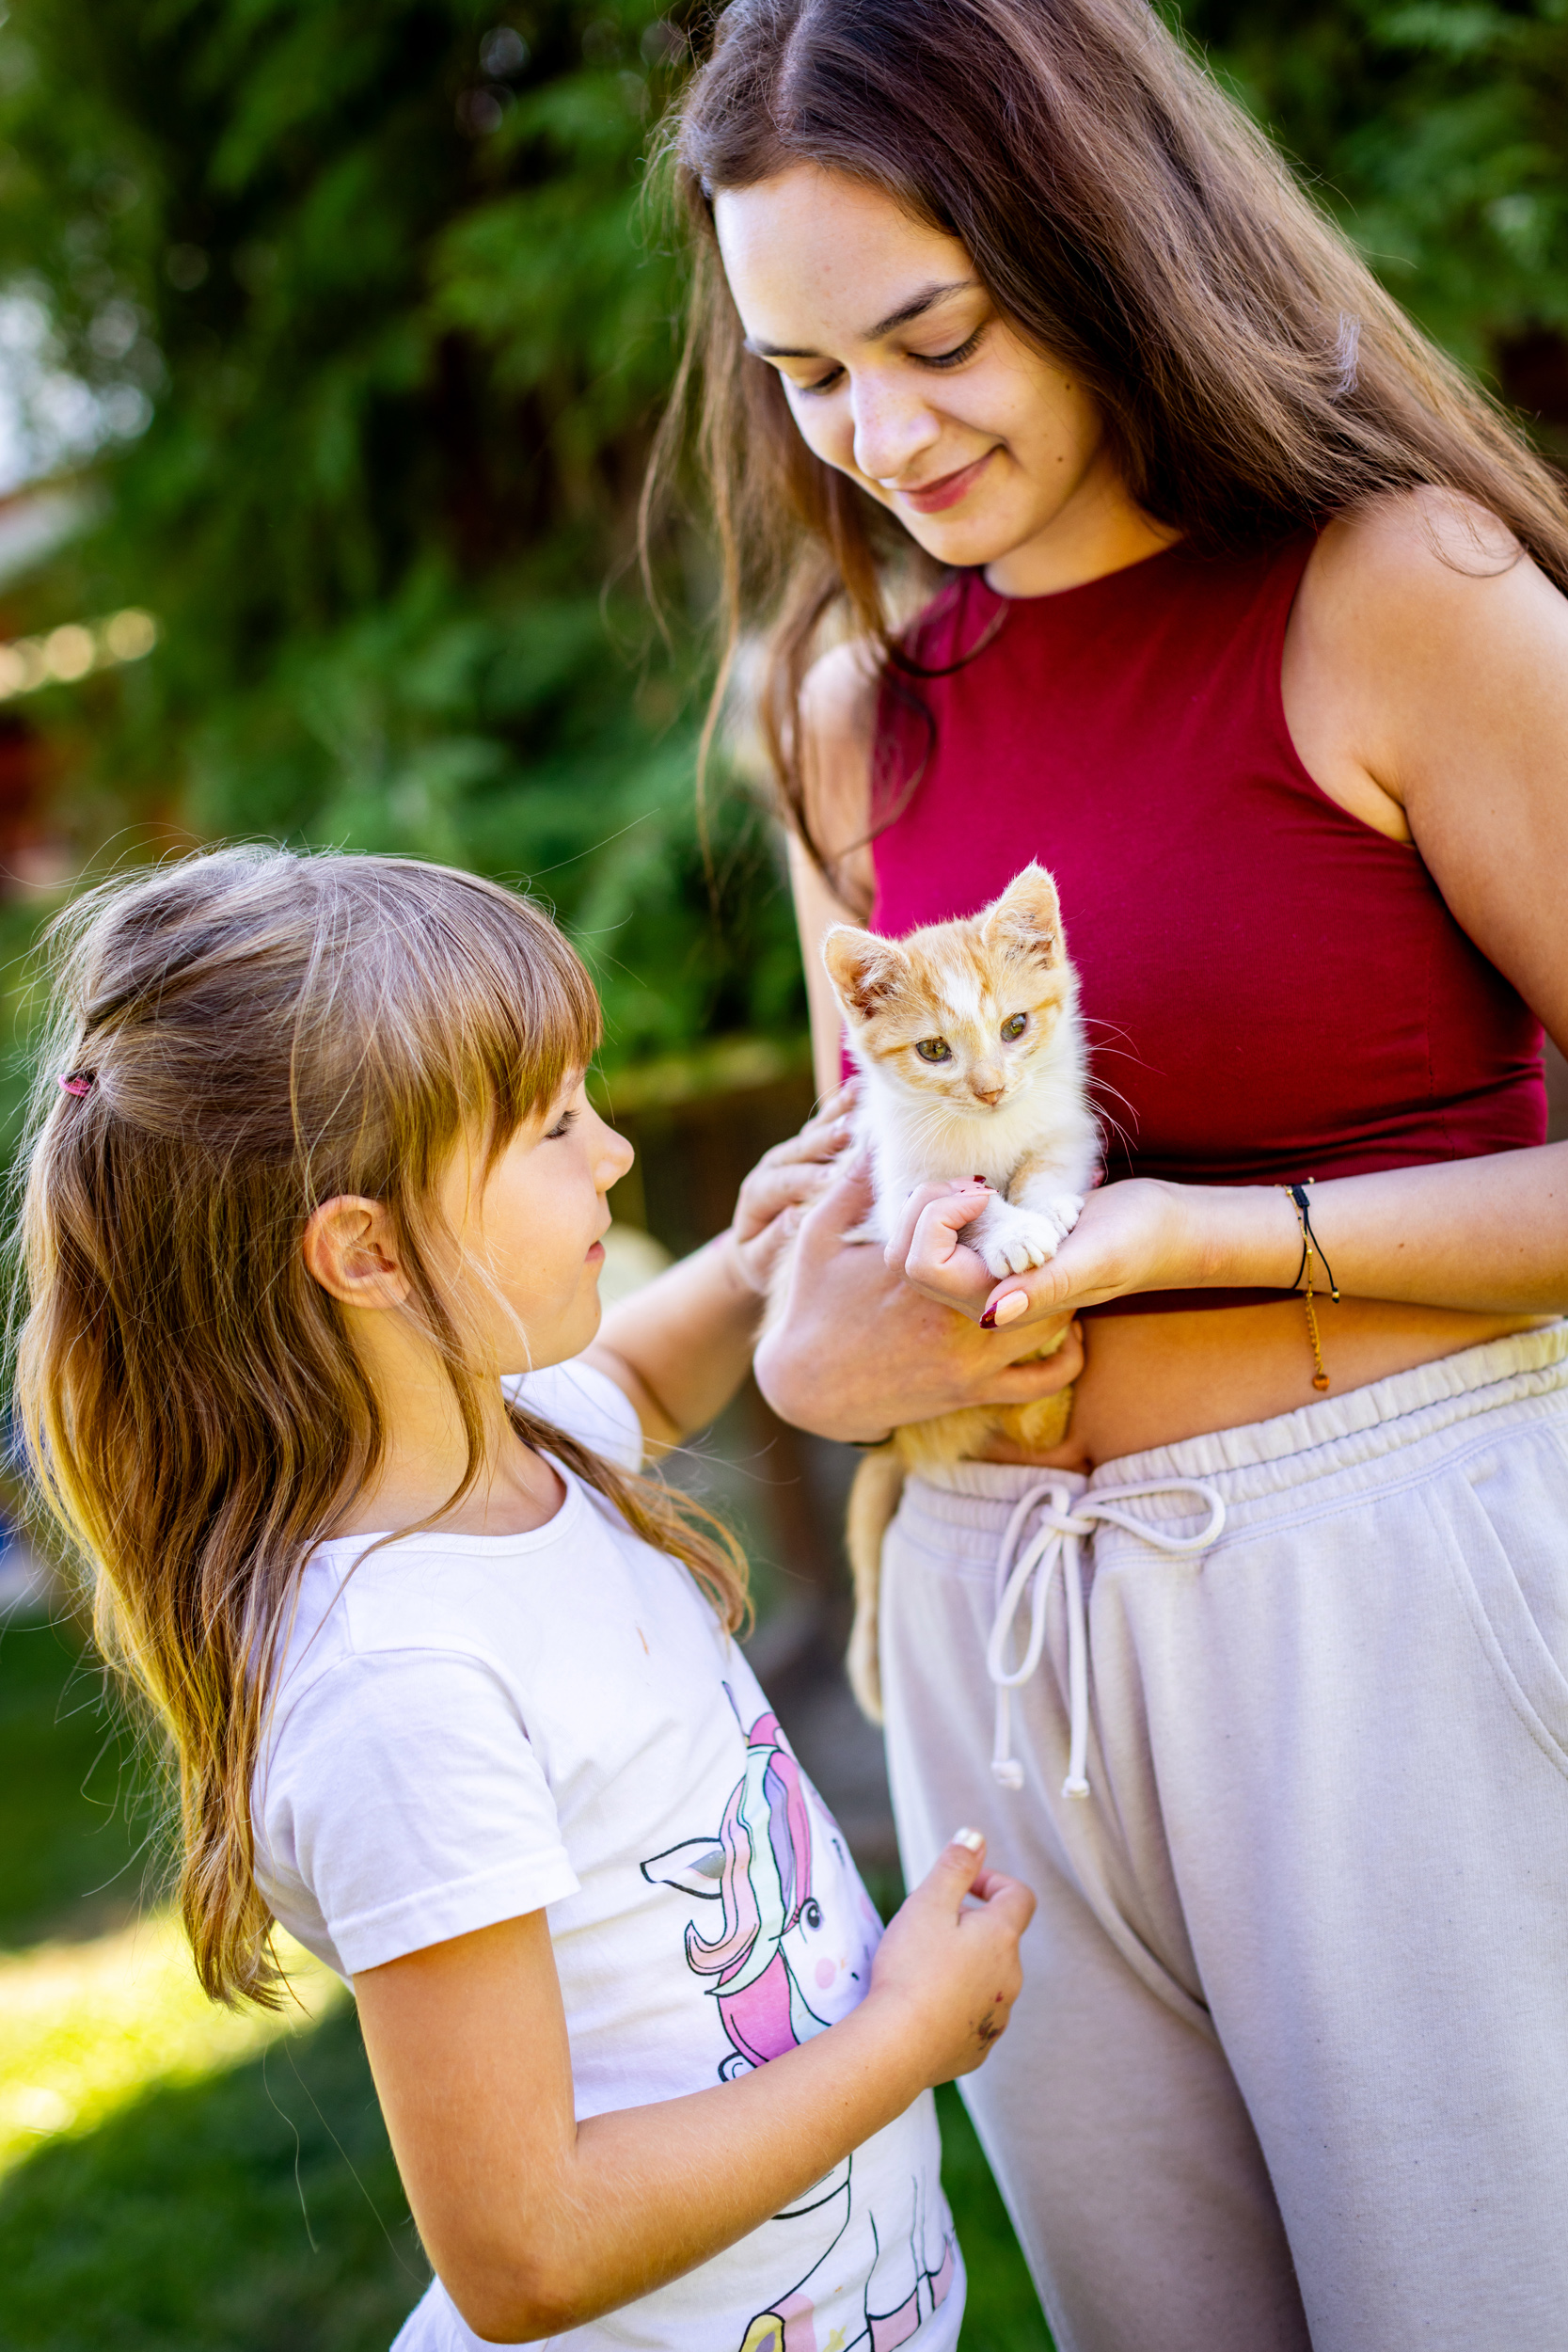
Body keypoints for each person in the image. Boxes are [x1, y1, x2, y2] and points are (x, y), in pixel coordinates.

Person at [653, 1, 1568, 2346]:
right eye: (810, 376)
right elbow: (853, 1246)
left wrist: (1213, 1238)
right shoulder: (838, 711)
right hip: (997, 1653)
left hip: (1391, 1619)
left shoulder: (1403, 594)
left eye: (931, 336)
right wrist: (825, 1351)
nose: (883, 434)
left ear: (1095, 240)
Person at [13, 847, 1036, 2352]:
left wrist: (758, 1258)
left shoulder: (517, 1444)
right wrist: (905, 2040)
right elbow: (525, 2249)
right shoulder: (402, 1689)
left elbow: (627, 1376)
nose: (616, 1156)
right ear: (365, 1250)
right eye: (557, 1124)